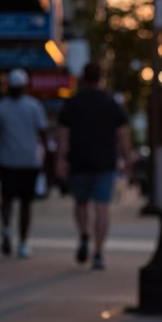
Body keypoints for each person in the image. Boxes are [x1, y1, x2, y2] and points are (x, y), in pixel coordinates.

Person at [56, 62, 131, 269]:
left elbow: (63, 135)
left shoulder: (72, 103)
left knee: (81, 204)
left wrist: (61, 159)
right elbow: (123, 135)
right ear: (100, 78)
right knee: (102, 208)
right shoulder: (110, 103)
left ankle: (84, 234)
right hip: (105, 163)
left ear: (83, 77)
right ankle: (98, 252)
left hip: (79, 161)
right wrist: (127, 160)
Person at [0, 68, 48, 259]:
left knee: (8, 200)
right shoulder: (34, 106)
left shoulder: (0, 107)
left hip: (8, 160)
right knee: (25, 203)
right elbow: (42, 133)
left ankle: (7, 229)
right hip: (28, 161)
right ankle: (23, 241)